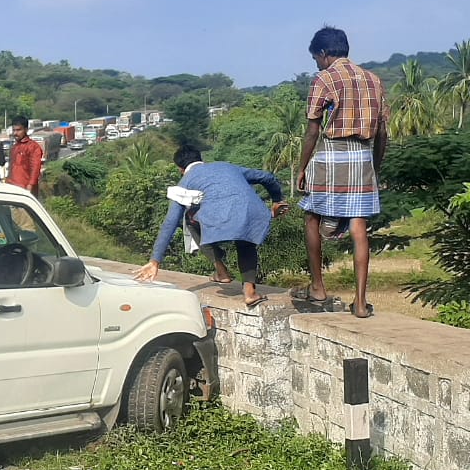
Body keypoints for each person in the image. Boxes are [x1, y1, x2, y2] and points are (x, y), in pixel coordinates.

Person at [294, 26, 389, 318]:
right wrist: (375, 165)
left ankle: (318, 287)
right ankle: (360, 304)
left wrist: (302, 167)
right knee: (358, 228)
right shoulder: (374, 80)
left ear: (323, 54)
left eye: (316, 58)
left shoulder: (324, 78)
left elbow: (312, 131)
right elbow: (383, 132)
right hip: (362, 156)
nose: (317, 64)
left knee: (312, 217)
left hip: (332, 154)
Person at [135, 146, 288, 308]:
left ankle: (221, 270)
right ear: (202, 160)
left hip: (219, 219)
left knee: (189, 219)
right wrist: (277, 199)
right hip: (252, 211)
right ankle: (249, 291)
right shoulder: (227, 166)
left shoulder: (184, 182)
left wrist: (155, 260)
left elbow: (170, 223)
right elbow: (267, 177)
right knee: (245, 242)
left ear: (181, 169)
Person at [5, 118, 42, 195]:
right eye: (14, 130)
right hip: (12, 187)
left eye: (18, 130)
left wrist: (30, 186)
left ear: (26, 129)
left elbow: (35, 168)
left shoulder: (33, 147)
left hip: (25, 188)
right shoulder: (14, 147)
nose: (15, 133)